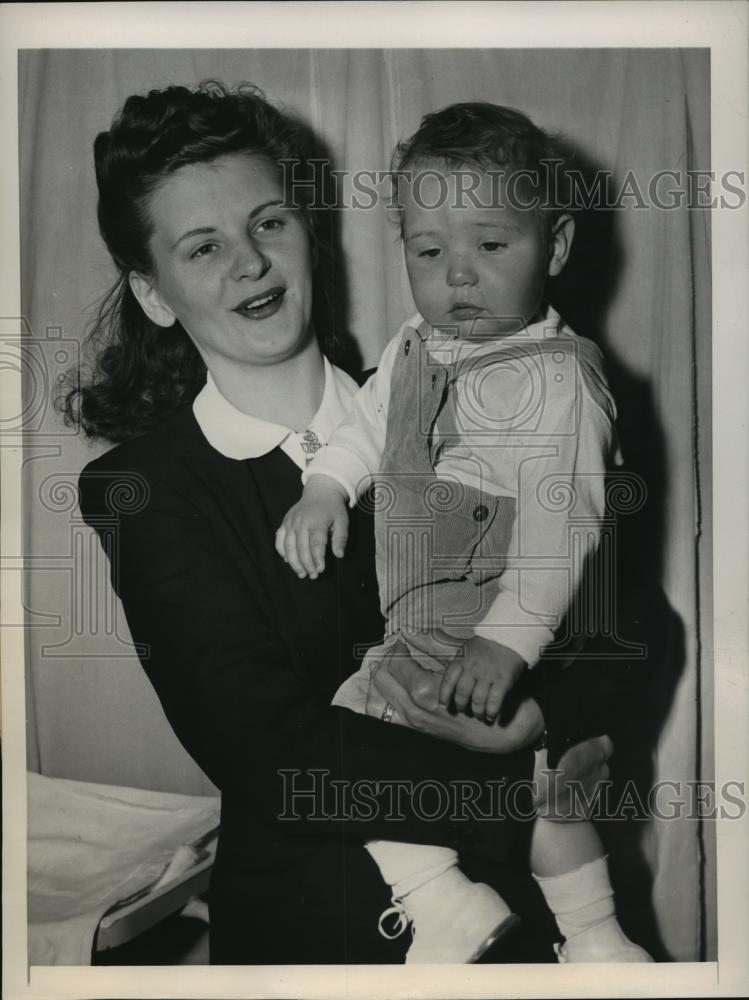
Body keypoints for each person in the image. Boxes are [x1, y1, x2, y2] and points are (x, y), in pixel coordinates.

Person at [67, 80, 624, 965]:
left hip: (525, 921)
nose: (248, 262)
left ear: (308, 235)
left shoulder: (444, 380)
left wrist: (544, 714)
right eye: (202, 246)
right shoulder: (145, 489)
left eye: (269, 223)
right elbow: (262, 748)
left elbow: (611, 600)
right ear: (154, 293)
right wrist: (515, 788)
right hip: (318, 936)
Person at [277, 103, 652, 963]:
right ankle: (450, 899)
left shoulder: (556, 381)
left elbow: (564, 531)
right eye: (428, 251)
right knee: (375, 759)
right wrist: (325, 488)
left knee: (531, 780)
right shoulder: (415, 344)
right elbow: (368, 429)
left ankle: (589, 935)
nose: (458, 278)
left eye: (491, 246)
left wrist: (506, 644)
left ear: (553, 247)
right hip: (416, 630)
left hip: (492, 623)